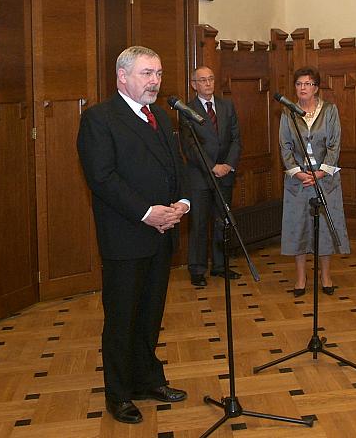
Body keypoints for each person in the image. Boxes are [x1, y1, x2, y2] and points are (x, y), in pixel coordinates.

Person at [77, 46, 189, 424]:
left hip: (162, 233)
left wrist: (182, 203)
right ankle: (119, 394)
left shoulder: (160, 115)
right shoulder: (99, 118)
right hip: (126, 237)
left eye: (158, 73)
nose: (155, 81)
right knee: (122, 318)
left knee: (150, 314)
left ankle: (147, 379)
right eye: (146, 73)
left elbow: (176, 166)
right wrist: (146, 213)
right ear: (122, 76)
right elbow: (102, 177)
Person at [279, 67, 351, 297]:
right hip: (298, 181)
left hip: (325, 180)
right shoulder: (287, 112)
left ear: (316, 88)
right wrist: (299, 173)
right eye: (299, 84)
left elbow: (334, 144)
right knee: (299, 226)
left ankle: (325, 274)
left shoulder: (330, 110)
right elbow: (285, 146)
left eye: (308, 84)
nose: (303, 88)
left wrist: (320, 173)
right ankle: (301, 276)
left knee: (325, 228)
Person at [181, 66, 242, 287]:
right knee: (198, 224)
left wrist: (228, 165)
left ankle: (220, 266)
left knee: (222, 222)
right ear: (194, 84)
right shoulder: (187, 110)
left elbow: (236, 138)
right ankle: (197, 269)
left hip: (225, 174)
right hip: (200, 177)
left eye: (211, 79)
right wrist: (212, 166)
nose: (208, 83)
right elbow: (190, 147)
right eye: (203, 80)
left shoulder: (226, 106)